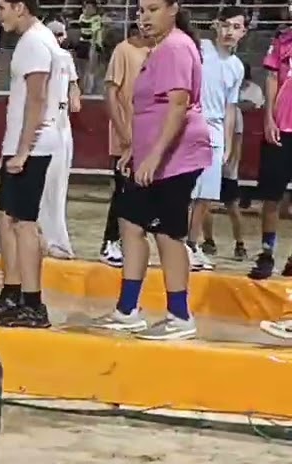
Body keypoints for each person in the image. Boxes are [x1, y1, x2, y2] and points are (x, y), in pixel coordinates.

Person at [95, 0, 212, 341]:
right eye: (142, 10)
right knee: (129, 222)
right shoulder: (160, 49)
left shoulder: (175, 47)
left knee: (167, 232)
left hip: (176, 156)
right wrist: (135, 150)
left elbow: (177, 106)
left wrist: (154, 156)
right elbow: (151, 109)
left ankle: (180, 315)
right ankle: (128, 308)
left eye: (153, 9)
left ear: (173, 9)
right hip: (152, 154)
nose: (145, 17)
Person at [0, 0, 62, 329]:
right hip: (22, 143)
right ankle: (13, 292)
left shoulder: (35, 42)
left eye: (1, 7)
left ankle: (33, 302)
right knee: (5, 218)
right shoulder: (33, 41)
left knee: (24, 223)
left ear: (20, 7)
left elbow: (37, 99)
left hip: (33, 146)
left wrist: (23, 150)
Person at [184, 6, 246, 272]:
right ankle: (176, 244)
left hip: (216, 130)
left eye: (235, 27)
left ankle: (191, 245)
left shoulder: (237, 67)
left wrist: (229, 144)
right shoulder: (200, 49)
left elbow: (230, 108)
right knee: (184, 190)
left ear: (244, 32)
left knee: (206, 196)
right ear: (215, 26)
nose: (229, 31)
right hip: (190, 123)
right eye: (225, 25)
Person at [99, 26, 150, 268]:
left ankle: (131, 243)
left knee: (143, 194)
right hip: (127, 136)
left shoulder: (161, 51)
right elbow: (110, 94)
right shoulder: (124, 51)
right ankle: (110, 241)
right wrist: (123, 133)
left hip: (150, 136)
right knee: (122, 191)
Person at [247, 19, 292, 281]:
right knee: (271, 197)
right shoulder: (283, 40)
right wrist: (269, 119)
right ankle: (266, 253)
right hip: (281, 130)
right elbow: (272, 78)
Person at [204, 59, 261, 260]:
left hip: (225, 165)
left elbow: (237, 139)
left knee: (231, 207)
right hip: (211, 161)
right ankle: (208, 241)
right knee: (205, 204)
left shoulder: (234, 111)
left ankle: (240, 244)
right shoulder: (215, 105)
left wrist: (230, 163)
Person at [39, 20, 81, 260]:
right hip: (44, 122)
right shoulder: (38, 54)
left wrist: (74, 97)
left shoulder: (65, 58)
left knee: (58, 184)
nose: (57, 37)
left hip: (62, 125)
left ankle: (56, 238)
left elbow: (74, 84)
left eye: (60, 34)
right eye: (53, 33)